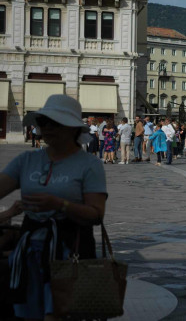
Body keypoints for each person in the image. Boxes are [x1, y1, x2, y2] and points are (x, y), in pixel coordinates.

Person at [0, 95, 108, 321]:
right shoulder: (26, 160)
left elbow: (96, 215)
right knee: (25, 313)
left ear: (72, 128)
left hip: (70, 251)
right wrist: (8, 214)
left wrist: (61, 204)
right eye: (43, 121)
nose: (46, 128)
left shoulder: (89, 165)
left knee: (59, 314)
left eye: (54, 123)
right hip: (29, 252)